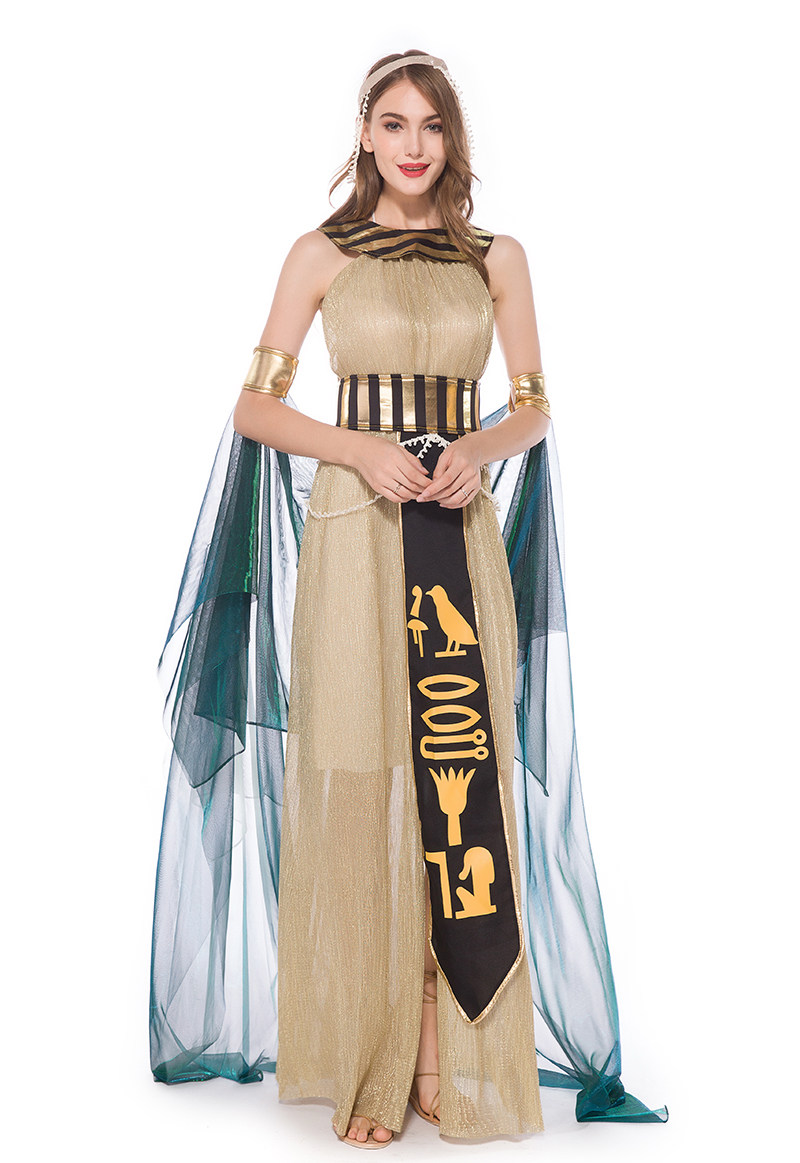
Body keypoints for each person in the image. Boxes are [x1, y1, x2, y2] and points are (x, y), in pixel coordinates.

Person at [149, 49, 668, 1150]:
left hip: (457, 536)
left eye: (431, 125)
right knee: (355, 778)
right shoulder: (321, 253)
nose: (413, 144)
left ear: (452, 138)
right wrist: (356, 448)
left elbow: (533, 404)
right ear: (365, 135)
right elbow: (253, 407)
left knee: (454, 780)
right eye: (394, 123)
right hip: (355, 530)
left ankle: (438, 1050)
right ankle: (365, 1049)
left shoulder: (495, 258)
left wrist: (480, 446)